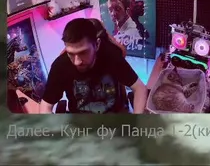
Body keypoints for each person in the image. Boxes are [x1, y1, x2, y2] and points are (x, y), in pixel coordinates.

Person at [16, 17, 147, 114]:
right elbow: (46, 105)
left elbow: (139, 88)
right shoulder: (60, 66)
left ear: (97, 44)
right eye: (71, 54)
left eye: (83, 52)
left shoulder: (110, 55)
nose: (77, 61)